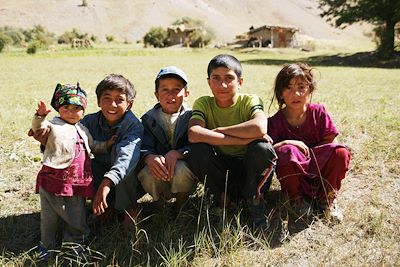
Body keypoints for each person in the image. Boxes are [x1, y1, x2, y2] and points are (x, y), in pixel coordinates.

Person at [31, 74, 144, 226]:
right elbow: (66, 139)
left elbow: (126, 158)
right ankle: (103, 206)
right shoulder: (88, 122)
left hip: (128, 177)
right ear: (98, 101)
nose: (113, 104)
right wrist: (46, 140)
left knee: (124, 165)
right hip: (100, 170)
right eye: (107, 98)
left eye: (120, 99)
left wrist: (106, 183)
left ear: (129, 104)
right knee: (83, 164)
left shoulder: (133, 125)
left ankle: (128, 208)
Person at [187, 54, 277, 228]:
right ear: (208, 82)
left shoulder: (250, 100)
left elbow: (259, 128)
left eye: (229, 78)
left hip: (249, 167)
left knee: (262, 149)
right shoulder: (204, 103)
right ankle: (221, 201)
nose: (222, 85)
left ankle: (255, 200)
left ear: (240, 82)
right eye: (216, 79)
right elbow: (194, 133)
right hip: (221, 169)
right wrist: (244, 140)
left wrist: (221, 131)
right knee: (197, 151)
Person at [31, 84, 114, 260]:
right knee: (49, 218)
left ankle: (75, 243)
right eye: (66, 107)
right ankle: (47, 245)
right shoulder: (53, 125)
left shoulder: (83, 129)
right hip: (53, 179)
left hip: (76, 181)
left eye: (77, 108)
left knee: (76, 214)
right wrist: (40, 116)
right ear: (58, 109)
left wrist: (106, 145)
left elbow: (93, 146)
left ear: (83, 111)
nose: (71, 112)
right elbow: (39, 128)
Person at [267, 63, 351, 223]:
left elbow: (331, 144)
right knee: (286, 150)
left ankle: (327, 200)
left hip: (319, 171)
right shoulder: (275, 122)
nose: (295, 93)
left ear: (310, 89)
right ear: (280, 93)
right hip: (294, 175)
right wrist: (287, 142)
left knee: (340, 151)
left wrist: (315, 161)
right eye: (288, 88)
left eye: (301, 87)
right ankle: (297, 200)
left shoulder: (318, 112)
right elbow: (267, 151)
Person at [138, 66, 197, 214]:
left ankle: (181, 203)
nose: (171, 94)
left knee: (182, 170)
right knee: (147, 173)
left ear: (186, 93)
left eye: (176, 89)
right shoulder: (149, 119)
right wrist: (149, 157)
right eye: (165, 89)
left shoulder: (192, 117)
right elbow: (143, 145)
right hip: (159, 168)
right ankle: (159, 204)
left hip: (182, 168)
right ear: (156, 94)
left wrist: (180, 153)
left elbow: (198, 146)